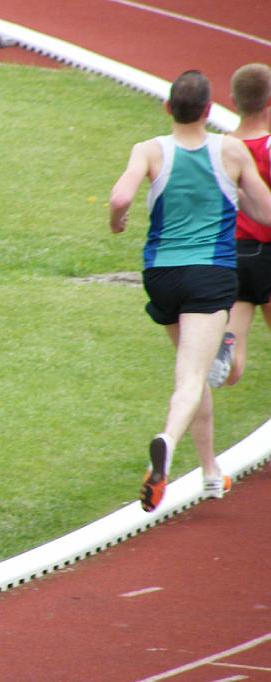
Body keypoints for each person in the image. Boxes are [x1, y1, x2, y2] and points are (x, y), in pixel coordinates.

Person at [108, 69, 271, 512]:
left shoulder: (149, 150)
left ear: (168, 108)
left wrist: (117, 223)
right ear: (208, 110)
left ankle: (211, 472)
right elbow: (265, 212)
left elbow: (120, 199)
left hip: (161, 275)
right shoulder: (231, 150)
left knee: (193, 370)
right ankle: (166, 440)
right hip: (210, 274)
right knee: (191, 378)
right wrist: (237, 195)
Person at [211, 63, 271, 387]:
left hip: (235, 254)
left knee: (236, 356)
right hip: (269, 250)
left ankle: (228, 352)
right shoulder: (268, 146)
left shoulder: (219, 148)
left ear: (233, 100)